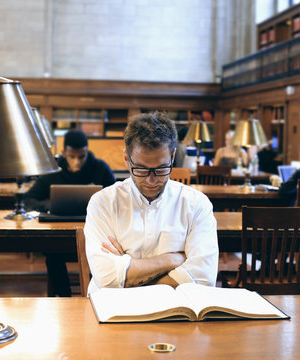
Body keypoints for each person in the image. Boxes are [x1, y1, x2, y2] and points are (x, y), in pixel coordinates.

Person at [84, 111, 219, 294]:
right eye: (141, 169)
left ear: (172, 158)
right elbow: (106, 278)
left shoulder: (197, 204)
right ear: (126, 159)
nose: (151, 180)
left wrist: (127, 271)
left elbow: (203, 279)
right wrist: (173, 260)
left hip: (175, 313)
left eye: (161, 168)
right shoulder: (103, 203)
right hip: (114, 312)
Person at [25, 129, 115, 297]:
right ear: (63, 153)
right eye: (72, 156)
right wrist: (49, 207)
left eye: (82, 156)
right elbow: (29, 199)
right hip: (60, 235)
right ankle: (65, 298)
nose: (77, 162)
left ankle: (94, 296)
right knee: (52, 254)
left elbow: (117, 200)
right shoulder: (52, 170)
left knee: (103, 255)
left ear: (87, 152)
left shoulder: (100, 168)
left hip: (94, 234)